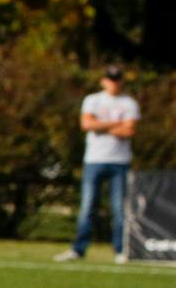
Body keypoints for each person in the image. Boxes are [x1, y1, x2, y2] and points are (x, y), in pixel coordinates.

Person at [57, 65, 139, 264]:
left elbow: (129, 131)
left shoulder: (129, 103)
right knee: (87, 207)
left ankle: (120, 250)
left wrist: (100, 125)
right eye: (111, 79)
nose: (114, 83)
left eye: (117, 79)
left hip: (120, 162)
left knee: (119, 209)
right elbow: (86, 125)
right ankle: (79, 249)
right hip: (94, 160)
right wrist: (115, 124)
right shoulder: (93, 100)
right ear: (103, 80)